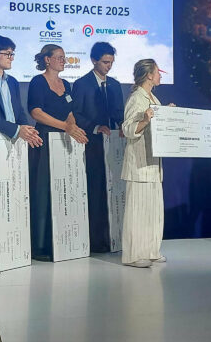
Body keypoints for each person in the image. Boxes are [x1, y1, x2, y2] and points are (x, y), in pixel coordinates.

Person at [27, 44, 88, 260]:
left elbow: (69, 113)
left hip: (64, 141)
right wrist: (65, 127)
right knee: (43, 192)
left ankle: (60, 241)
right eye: (60, 57)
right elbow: (36, 112)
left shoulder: (67, 85)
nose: (64, 61)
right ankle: (40, 245)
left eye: (65, 57)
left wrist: (74, 128)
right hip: (44, 141)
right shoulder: (38, 82)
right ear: (47, 60)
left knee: (62, 191)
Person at [71, 42, 124, 253]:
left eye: (111, 62)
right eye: (105, 62)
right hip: (92, 144)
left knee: (115, 191)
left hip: (114, 144)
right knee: (96, 191)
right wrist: (95, 127)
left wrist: (123, 124)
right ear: (94, 60)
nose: (108, 66)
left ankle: (115, 238)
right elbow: (76, 114)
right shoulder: (81, 84)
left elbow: (118, 112)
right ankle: (96, 240)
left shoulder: (115, 85)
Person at [120, 59, 166, 268]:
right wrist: (146, 120)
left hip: (153, 163)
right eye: (158, 72)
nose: (160, 75)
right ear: (149, 75)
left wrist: (167, 115)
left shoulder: (153, 98)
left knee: (153, 211)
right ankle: (133, 255)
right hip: (139, 164)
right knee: (137, 211)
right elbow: (128, 129)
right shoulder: (136, 98)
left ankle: (151, 251)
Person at [0, 34, 42, 148]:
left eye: (12, 54)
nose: (12, 58)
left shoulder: (13, 82)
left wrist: (28, 130)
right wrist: (16, 129)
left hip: (16, 140)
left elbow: (19, 111)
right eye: (8, 54)